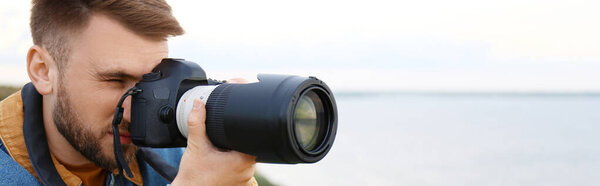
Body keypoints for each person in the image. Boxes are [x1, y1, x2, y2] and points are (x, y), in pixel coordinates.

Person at [0, 0, 257, 185]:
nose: (136, 114)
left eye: (152, 81)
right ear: (43, 71)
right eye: (115, 79)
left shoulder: (184, 158)